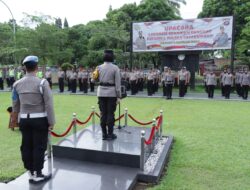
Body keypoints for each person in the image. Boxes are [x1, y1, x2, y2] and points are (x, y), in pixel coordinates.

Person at [11, 55, 55, 184]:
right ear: (36, 67)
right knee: (39, 146)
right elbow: (49, 104)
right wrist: (51, 122)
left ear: (25, 68)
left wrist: (15, 120)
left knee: (26, 146)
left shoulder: (17, 84)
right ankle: (38, 174)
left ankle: (30, 172)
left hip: (24, 120)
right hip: (39, 119)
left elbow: (15, 104)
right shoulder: (42, 83)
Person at [93, 50, 121, 140]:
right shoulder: (115, 68)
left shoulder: (99, 67)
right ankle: (110, 134)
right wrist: (119, 96)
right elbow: (118, 84)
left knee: (103, 113)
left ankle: (104, 134)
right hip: (111, 93)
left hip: (101, 92)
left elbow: (93, 80)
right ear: (112, 57)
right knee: (110, 114)